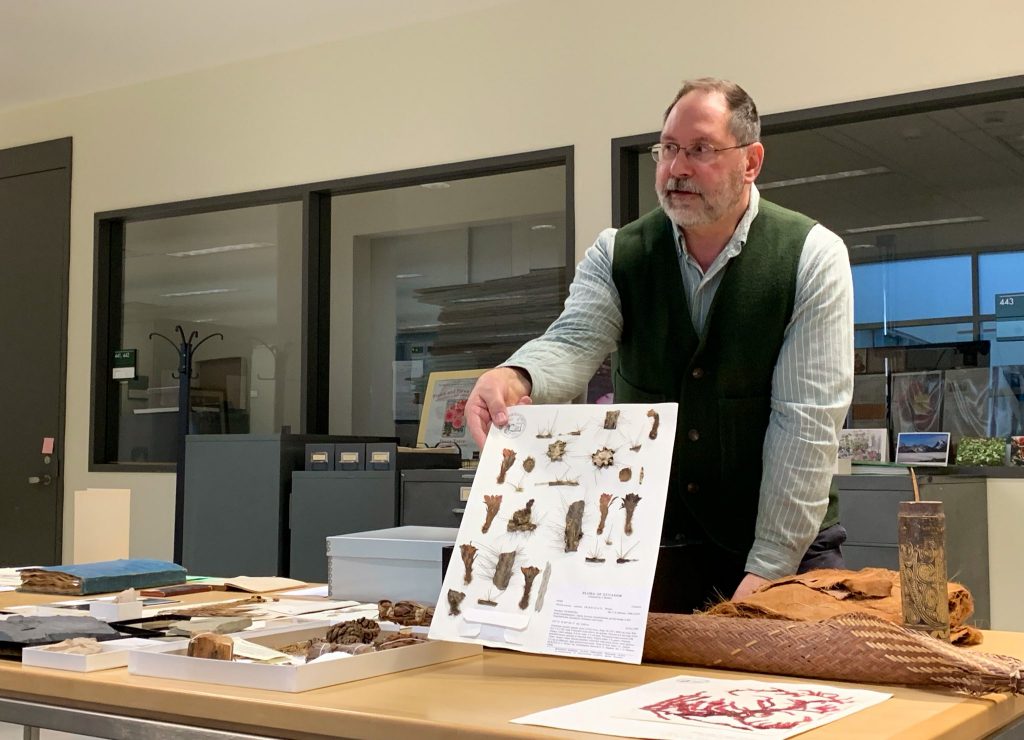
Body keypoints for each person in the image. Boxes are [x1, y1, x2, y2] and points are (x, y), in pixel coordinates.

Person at [466, 77, 854, 613]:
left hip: (786, 550)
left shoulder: (811, 257)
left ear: (751, 161)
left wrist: (767, 569)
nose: (677, 168)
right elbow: (575, 340)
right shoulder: (619, 254)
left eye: (700, 149)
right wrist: (516, 378)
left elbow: (805, 424)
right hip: (655, 542)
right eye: (668, 149)